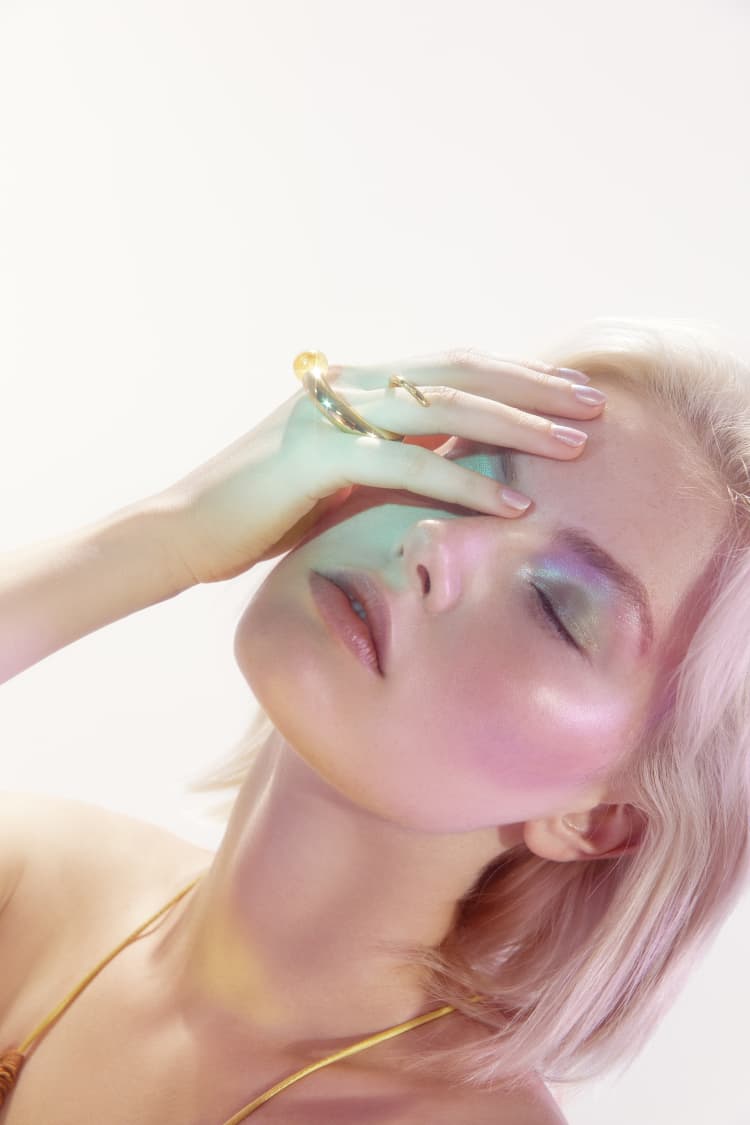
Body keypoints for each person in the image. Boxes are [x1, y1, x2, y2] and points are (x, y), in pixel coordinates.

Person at [0, 318, 748, 1124]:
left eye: (556, 604)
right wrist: (161, 536)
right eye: (459, 477)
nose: (433, 541)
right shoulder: (33, 883)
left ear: (600, 819)